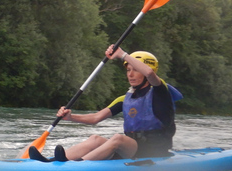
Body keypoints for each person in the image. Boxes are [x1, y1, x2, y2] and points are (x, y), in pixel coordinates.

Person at [27, 45, 178, 162]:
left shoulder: (160, 92)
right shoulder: (126, 98)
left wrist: (122, 54)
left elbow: (150, 74)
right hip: (134, 148)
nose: (130, 74)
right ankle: (52, 162)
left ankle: (78, 165)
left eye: (135, 70)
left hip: (155, 150)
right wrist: (70, 117)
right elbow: (95, 118)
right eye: (128, 70)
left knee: (118, 138)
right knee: (95, 139)